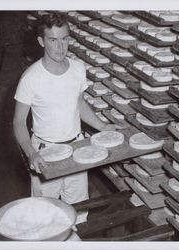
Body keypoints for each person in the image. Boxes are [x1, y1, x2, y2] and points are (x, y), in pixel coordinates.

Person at [13, 12, 119, 223]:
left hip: (76, 149)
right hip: (45, 153)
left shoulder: (78, 69)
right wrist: (31, 153)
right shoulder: (31, 78)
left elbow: (78, 103)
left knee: (79, 211)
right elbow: (18, 122)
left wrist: (103, 127)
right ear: (41, 41)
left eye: (64, 39)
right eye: (53, 40)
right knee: (46, 215)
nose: (61, 47)